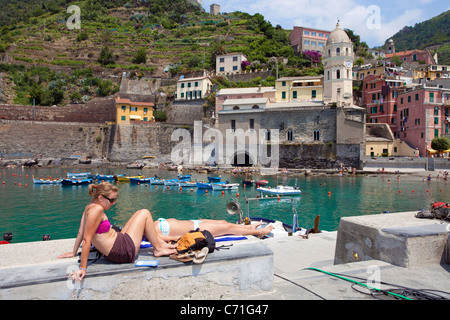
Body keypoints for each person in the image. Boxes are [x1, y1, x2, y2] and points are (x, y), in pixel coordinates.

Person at [58, 182, 177, 281]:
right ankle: (158, 249)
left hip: (118, 243)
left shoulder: (89, 206)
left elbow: (80, 231)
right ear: (100, 198)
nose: (114, 203)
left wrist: (73, 252)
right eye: (111, 200)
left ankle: (161, 245)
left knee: (139, 213)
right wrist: (83, 268)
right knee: (145, 213)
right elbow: (86, 239)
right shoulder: (97, 210)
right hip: (122, 251)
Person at [154, 218, 274, 242]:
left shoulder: (150, 225)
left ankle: (248, 227)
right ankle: (259, 232)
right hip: (196, 229)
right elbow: (165, 239)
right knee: (228, 228)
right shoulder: (151, 234)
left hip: (193, 222)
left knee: (223, 222)